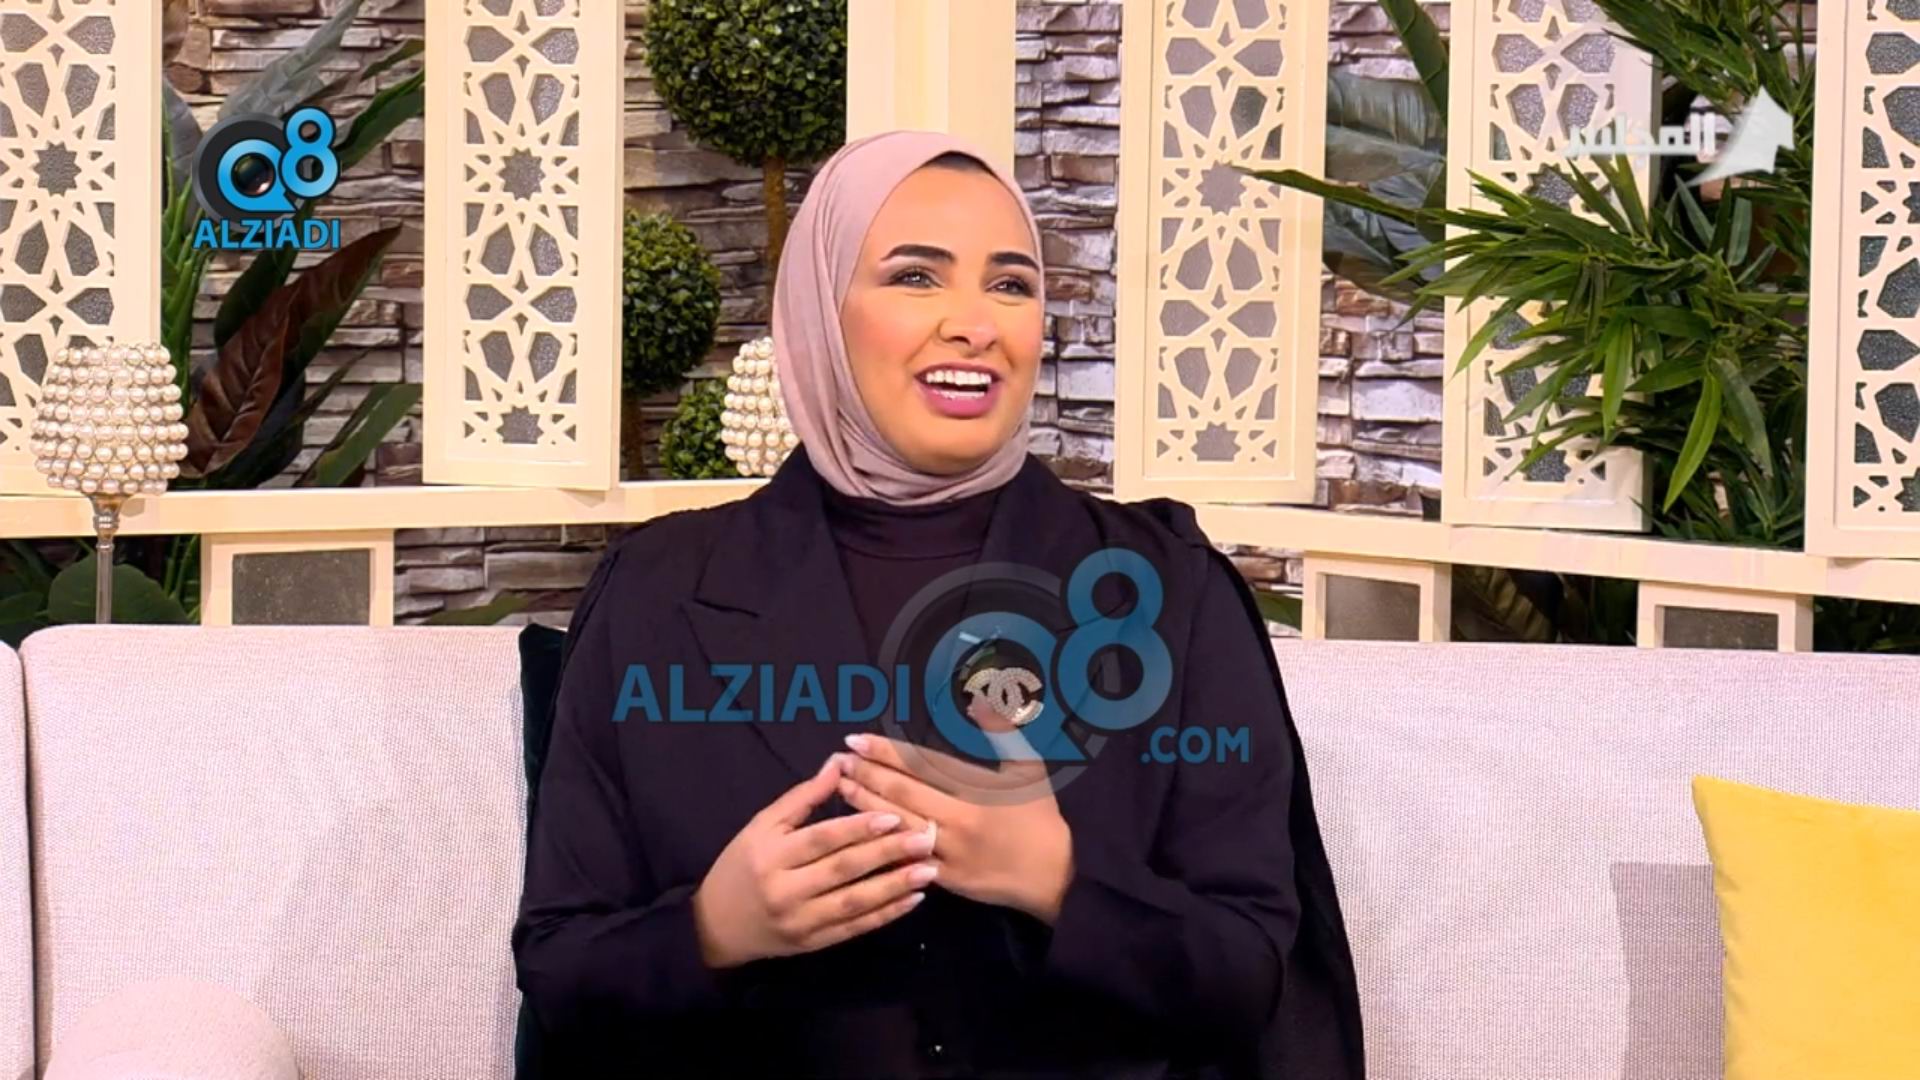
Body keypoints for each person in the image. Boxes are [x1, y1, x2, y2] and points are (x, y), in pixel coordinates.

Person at [511, 130, 1364, 1079]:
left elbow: (1252, 976)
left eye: (1011, 284)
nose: (974, 324)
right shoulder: (657, 589)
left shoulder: (1165, 588)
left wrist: (1059, 883)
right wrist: (714, 929)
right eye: (916, 277)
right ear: (819, 310)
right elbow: (560, 971)